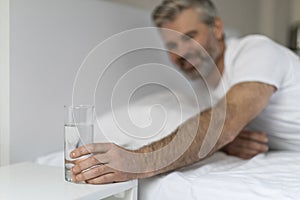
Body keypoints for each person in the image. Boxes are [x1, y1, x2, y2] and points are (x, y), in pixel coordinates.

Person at [69, 0, 300, 184]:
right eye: (171, 46)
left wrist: (138, 161)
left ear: (217, 28)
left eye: (190, 37)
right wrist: (227, 142)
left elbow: (225, 120)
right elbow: (217, 129)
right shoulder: (201, 87)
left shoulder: (256, 51)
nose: (182, 52)